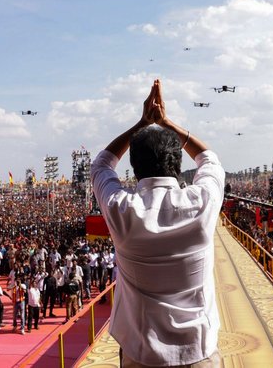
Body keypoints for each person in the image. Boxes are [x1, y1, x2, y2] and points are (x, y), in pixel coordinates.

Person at [91, 80, 225, 367]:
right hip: (198, 352)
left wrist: (140, 125)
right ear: (177, 165)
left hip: (142, 355)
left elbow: (101, 165)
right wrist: (167, 122)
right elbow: (209, 161)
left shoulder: (122, 210)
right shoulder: (200, 203)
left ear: (134, 169)